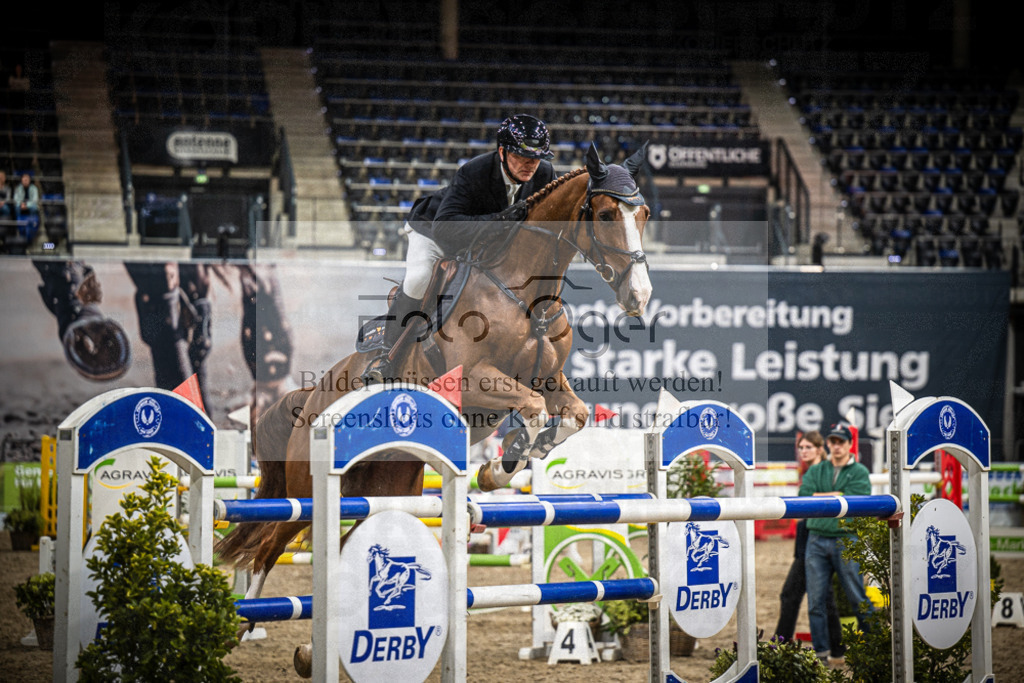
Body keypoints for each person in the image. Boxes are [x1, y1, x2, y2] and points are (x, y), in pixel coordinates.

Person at [365, 113, 556, 380]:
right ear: (502, 152)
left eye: (536, 158)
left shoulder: (544, 174)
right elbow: (446, 229)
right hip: (433, 231)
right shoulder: (474, 172)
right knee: (419, 279)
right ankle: (386, 357)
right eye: (521, 156)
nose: (530, 164)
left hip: (481, 240)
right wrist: (498, 221)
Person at [799, 422, 874, 664]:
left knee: (857, 597)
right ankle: (821, 655)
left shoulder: (860, 472)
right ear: (828, 444)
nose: (836, 445)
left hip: (845, 539)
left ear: (850, 444)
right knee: (815, 602)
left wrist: (819, 498)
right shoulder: (816, 470)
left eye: (841, 441)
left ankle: (875, 647)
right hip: (818, 539)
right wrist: (837, 496)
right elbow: (802, 498)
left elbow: (857, 501)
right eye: (833, 441)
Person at [774, 431, 843, 656]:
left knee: (791, 594)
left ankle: (781, 645)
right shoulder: (809, 471)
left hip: (818, 535)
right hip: (806, 535)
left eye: (808, 448)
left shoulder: (826, 470)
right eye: (801, 448)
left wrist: (814, 496)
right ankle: (837, 648)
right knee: (823, 596)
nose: (803, 451)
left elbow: (837, 494)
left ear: (819, 449)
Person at [13, 173, 39, 243]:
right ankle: (17, 225)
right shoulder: (18, 188)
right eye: (24, 180)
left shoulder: (34, 188)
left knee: (34, 208)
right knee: (16, 208)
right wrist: (21, 204)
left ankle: (32, 224)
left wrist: (27, 205)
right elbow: (16, 199)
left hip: (30, 205)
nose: (25, 181)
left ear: (29, 180)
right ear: (21, 180)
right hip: (21, 205)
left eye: (27, 180)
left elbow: (35, 200)